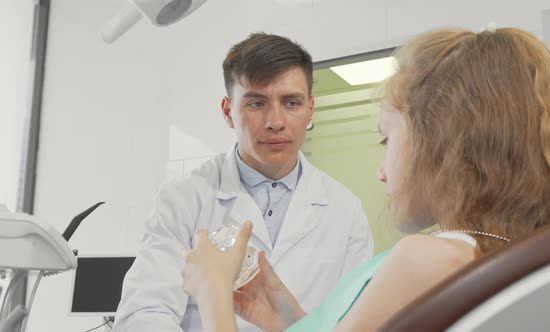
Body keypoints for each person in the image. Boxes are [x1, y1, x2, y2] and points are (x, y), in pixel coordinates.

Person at [181, 26, 550, 332]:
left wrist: (213, 291)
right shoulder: (479, 250)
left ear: (439, 142)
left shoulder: (429, 258)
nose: (380, 171)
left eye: (385, 138)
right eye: (256, 103)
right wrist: (284, 316)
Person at [113, 33, 374, 332]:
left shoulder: (346, 210)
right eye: (256, 104)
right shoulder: (183, 198)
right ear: (228, 112)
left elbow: (355, 322)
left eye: (291, 102)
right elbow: (144, 312)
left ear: (311, 109)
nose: (275, 121)